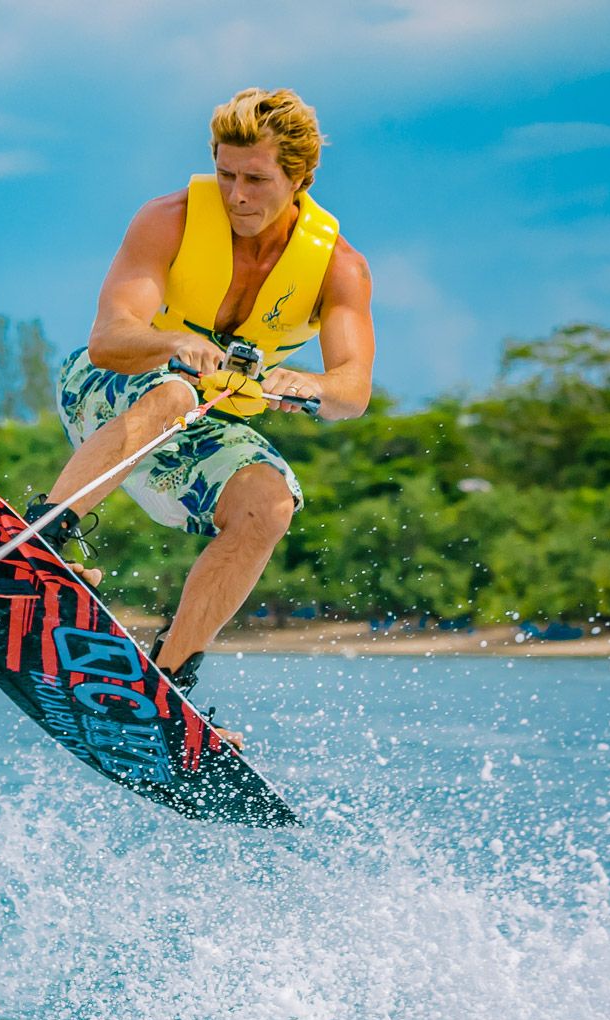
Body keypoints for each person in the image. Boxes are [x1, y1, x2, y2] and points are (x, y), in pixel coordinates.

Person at [29, 87, 375, 742]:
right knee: (176, 391)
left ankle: (168, 683)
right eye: (225, 174)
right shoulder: (169, 220)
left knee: (271, 503)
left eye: (256, 180)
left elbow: (352, 391)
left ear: (299, 177)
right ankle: (43, 536)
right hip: (109, 385)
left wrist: (312, 385)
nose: (237, 195)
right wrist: (173, 344)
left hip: (202, 424)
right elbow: (109, 337)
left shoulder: (340, 268)